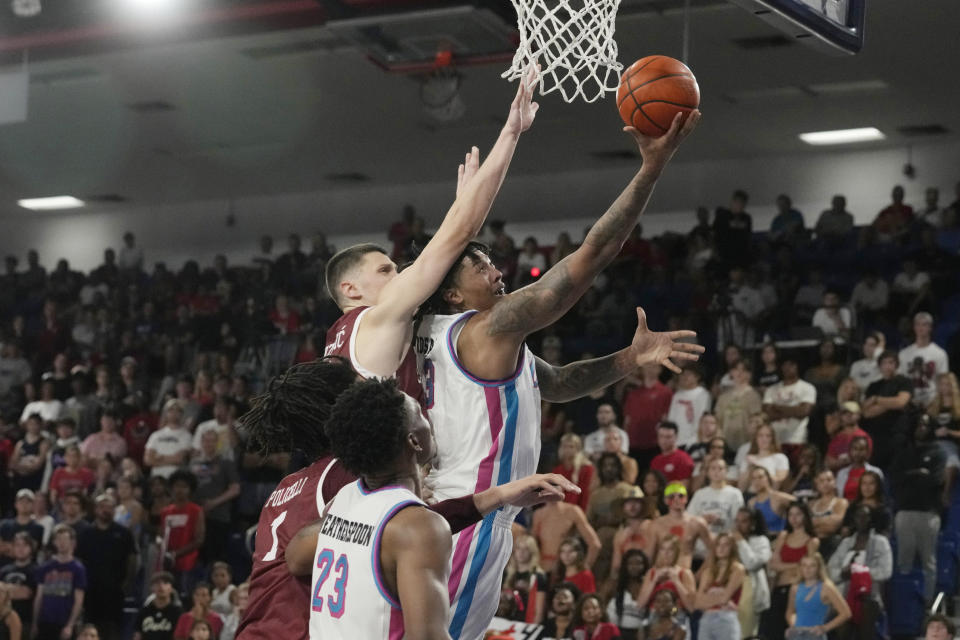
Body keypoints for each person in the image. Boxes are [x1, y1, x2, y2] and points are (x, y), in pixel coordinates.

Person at [414, 109, 701, 639]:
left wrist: (626, 360)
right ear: (452, 292)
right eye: (480, 267)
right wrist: (651, 171)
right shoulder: (485, 329)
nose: (498, 272)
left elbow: (561, 384)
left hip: (454, 511)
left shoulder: (444, 333)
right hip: (472, 519)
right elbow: (594, 254)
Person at [236, 360, 575, 640]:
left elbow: (298, 554)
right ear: (412, 441)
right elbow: (406, 530)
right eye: (421, 414)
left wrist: (497, 495)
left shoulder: (334, 496)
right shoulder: (344, 483)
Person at [892, 415, 946, 602]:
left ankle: (927, 605)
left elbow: (935, 480)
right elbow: (895, 480)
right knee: (903, 562)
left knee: (928, 563)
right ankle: (903, 604)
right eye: (918, 424)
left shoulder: (939, 453)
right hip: (905, 512)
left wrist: (911, 478)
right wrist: (918, 473)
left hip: (928, 513)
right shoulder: (904, 453)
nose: (921, 427)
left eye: (925, 424)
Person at [75, 493, 136, 640]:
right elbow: (78, 560)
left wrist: (127, 582)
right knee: (89, 628)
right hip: (90, 591)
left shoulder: (124, 533)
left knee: (112, 630)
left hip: (114, 591)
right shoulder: (85, 533)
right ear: (95, 509)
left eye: (110, 507)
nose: (106, 510)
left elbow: (132, 559)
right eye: (102, 506)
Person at [827, 505, 892, 640]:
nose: (862, 520)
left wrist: (859, 572)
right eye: (858, 517)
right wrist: (842, 573)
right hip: (843, 595)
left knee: (867, 607)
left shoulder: (881, 542)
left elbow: (885, 571)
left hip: (869, 596)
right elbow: (830, 569)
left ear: (871, 519)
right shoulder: (846, 543)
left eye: (865, 517)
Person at [763, 503, 819, 640]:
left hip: (798, 589)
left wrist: (787, 565)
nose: (794, 518)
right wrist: (796, 564)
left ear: (805, 516)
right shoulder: (783, 536)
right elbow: (773, 564)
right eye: (791, 515)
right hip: (779, 587)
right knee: (774, 631)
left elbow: (809, 567)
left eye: (798, 514)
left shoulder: (812, 541)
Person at [188, 429, 240, 563]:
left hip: (218, 515)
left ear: (217, 443)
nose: (208, 444)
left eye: (212, 441)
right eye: (205, 440)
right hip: (196, 515)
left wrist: (214, 502)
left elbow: (235, 488)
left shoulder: (225, 463)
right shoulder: (193, 463)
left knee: (216, 555)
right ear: (201, 442)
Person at [32, 524, 86, 640]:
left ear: (72, 542)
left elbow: (79, 600)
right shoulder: (45, 567)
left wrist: (70, 625)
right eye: (58, 539)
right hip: (45, 622)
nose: (61, 542)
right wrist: (34, 623)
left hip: (64, 622)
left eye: (65, 539)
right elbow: (39, 597)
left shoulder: (78, 568)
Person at [861, 350, 913, 469]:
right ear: (879, 366)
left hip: (897, 434)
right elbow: (866, 412)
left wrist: (876, 399)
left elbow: (900, 402)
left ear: (897, 365)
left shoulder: (904, 382)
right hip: (876, 435)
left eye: (891, 363)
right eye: (884, 363)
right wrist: (891, 404)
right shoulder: (874, 386)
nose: (888, 366)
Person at [621, 364, 674, 471]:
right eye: (647, 365)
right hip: (633, 444)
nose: (650, 368)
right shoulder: (633, 394)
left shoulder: (665, 392)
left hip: (654, 445)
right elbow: (627, 421)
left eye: (654, 366)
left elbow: (665, 420)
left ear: (660, 369)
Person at [786, 554, 851, 639]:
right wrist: (794, 625)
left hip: (815, 635)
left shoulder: (826, 587)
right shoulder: (795, 587)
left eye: (812, 565)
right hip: (797, 634)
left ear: (818, 568)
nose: (807, 569)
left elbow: (846, 613)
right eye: (804, 565)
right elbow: (790, 612)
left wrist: (825, 628)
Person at [159, 471, 205, 592]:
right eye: (177, 486)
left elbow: (199, 539)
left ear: (190, 489)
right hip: (167, 563)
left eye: (184, 486)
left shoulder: (196, 510)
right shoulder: (165, 512)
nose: (180, 490)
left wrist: (176, 554)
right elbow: (161, 535)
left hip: (188, 563)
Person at [694, 533, 745, 640]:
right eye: (718, 545)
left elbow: (725, 598)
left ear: (732, 548)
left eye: (725, 545)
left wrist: (708, 598)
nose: (721, 548)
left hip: (726, 618)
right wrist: (720, 598)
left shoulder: (737, 569)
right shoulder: (708, 572)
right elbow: (698, 603)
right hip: (706, 618)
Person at [651, 483, 711, 570]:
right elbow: (649, 555)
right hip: (661, 574)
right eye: (671, 497)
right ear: (665, 500)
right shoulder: (656, 524)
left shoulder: (696, 523)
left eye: (680, 496)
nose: (676, 499)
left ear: (686, 499)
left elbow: (713, 551)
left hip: (685, 574)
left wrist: (699, 575)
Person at [532, 500, 602, 573]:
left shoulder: (572, 511)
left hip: (564, 570)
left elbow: (595, 544)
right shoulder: (538, 515)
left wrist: (583, 570)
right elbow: (531, 547)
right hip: (541, 570)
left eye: (555, 487)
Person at [636, 535, 696, 616]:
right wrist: (654, 580)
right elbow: (640, 605)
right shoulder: (651, 572)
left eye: (670, 549)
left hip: (675, 611)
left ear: (676, 552)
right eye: (663, 549)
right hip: (653, 613)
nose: (666, 553)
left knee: (674, 613)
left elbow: (691, 607)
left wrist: (676, 581)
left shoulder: (685, 573)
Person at [899, 312, 950, 407]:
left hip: (933, 403)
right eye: (918, 324)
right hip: (909, 403)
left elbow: (943, 381)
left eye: (924, 325)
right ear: (914, 327)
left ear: (930, 327)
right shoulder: (904, 354)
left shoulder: (940, 353)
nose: (921, 328)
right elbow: (900, 381)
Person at [734, 508, 771, 638]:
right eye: (736, 521)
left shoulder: (761, 541)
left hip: (751, 590)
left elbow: (751, 563)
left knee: (747, 635)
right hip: (731, 591)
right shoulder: (730, 541)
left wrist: (740, 541)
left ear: (753, 523)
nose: (738, 525)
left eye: (743, 521)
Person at [687, 458, 743, 541]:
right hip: (702, 540)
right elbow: (689, 518)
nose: (716, 471)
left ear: (727, 471)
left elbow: (740, 520)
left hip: (726, 539)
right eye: (713, 468)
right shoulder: (699, 494)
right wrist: (703, 519)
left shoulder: (735, 493)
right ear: (708, 472)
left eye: (720, 468)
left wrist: (721, 520)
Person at [763, 358, 817, 445]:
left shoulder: (808, 387)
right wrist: (794, 411)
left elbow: (804, 411)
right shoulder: (771, 389)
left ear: (797, 366)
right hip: (774, 440)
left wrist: (777, 407)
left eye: (791, 364)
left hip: (797, 439)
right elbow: (767, 413)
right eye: (785, 365)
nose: (787, 368)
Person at [713, 359, 762, 451]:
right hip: (725, 444)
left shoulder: (753, 396)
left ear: (749, 374)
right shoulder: (723, 397)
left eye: (743, 370)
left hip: (746, 443)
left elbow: (756, 421)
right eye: (736, 369)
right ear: (731, 372)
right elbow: (717, 421)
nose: (739, 372)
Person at [503, 534, 549, 625]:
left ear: (532, 552)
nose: (521, 552)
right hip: (503, 621)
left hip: (525, 624)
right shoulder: (507, 573)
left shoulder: (539, 576)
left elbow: (539, 612)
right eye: (518, 548)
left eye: (526, 549)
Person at [610, 488, 656, 577]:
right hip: (625, 576)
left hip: (647, 575)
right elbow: (615, 566)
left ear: (643, 505)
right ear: (623, 507)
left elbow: (651, 558)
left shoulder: (651, 527)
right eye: (628, 502)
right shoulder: (620, 534)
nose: (632, 506)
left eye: (636, 502)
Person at [929, 372, 960, 502]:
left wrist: (949, 432)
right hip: (934, 444)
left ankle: (945, 493)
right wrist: (934, 433)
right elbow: (926, 429)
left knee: (951, 462)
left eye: (947, 384)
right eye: (941, 384)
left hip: (952, 444)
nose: (944, 387)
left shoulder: (958, 407)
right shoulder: (933, 406)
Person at [606, 549, 649, 640]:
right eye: (631, 563)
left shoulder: (648, 586)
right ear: (625, 565)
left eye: (638, 563)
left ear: (644, 565)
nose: (634, 567)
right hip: (618, 632)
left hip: (642, 632)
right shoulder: (616, 584)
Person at [144, 400, 193, 478]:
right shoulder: (156, 435)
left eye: (177, 410)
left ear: (182, 414)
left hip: (176, 479)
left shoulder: (186, 435)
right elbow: (148, 460)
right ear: (165, 413)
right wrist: (171, 459)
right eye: (171, 410)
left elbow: (179, 459)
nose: (174, 413)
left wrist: (160, 457)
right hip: (157, 479)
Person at [0, 531, 38, 630]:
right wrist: (16, 590)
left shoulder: (36, 570)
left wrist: (6, 589)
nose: (21, 549)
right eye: (17, 545)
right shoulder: (4, 570)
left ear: (31, 548)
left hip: (25, 622)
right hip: (3, 622)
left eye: (25, 545)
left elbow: (26, 593)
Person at [666, 366, 711, 447]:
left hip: (694, 441)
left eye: (688, 374)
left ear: (697, 377)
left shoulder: (703, 394)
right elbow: (671, 418)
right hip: (676, 441)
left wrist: (696, 439)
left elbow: (702, 418)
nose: (684, 377)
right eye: (682, 374)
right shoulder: (677, 395)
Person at [737, 423, 789, 489]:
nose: (764, 439)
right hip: (750, 496)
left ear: (772, 439)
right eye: (760, 435)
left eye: (768, 436)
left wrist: (757, 464)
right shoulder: (749, 458)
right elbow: (741, 487)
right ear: (756, 438)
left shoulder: (780, 458)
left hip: (769, 496)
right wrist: (749, 468)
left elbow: (777, 484)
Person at [808, 470, 848, 557]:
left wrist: (814, 521)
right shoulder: (811, 504)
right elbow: (807, 526)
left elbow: (833, 526)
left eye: (829, 480)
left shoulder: (841, 502)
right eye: (822, 481)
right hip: (812, 542)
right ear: (816, 484)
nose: (825, 483)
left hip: (831, 542)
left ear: (835, 481)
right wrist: (827, 519)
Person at [825, 403, 872, 472]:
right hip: (840, 476)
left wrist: (849, 460)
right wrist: (840, 462)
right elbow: (829, 462)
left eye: (852, 413)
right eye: (844, 413)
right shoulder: (837, 438)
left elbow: (866, 458)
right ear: (841, 416)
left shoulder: (864, 437)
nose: (848, 415)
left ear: (859, 415)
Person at [834, 437, 884, 503]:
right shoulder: (841, 473)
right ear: (850, 451)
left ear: (867, 451)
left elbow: (881, 495)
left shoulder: (876, 472)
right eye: (855, 449)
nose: (858, 452)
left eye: (861, 449)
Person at [134, 572, 181, 640]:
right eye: (157, 583)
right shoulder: (144, 611)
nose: (161, 586)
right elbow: (138, 635)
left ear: (171, 588)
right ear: (151, 588)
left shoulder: (178, 612)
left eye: (165, 583)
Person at [553, 434, 594, 510]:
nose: (567, 449)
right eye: (565, 446)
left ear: (578, 449)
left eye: (571, 446)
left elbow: (586, 493)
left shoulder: (587, 468)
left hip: (580, 507)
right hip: (561, 509)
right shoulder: (557, 470)